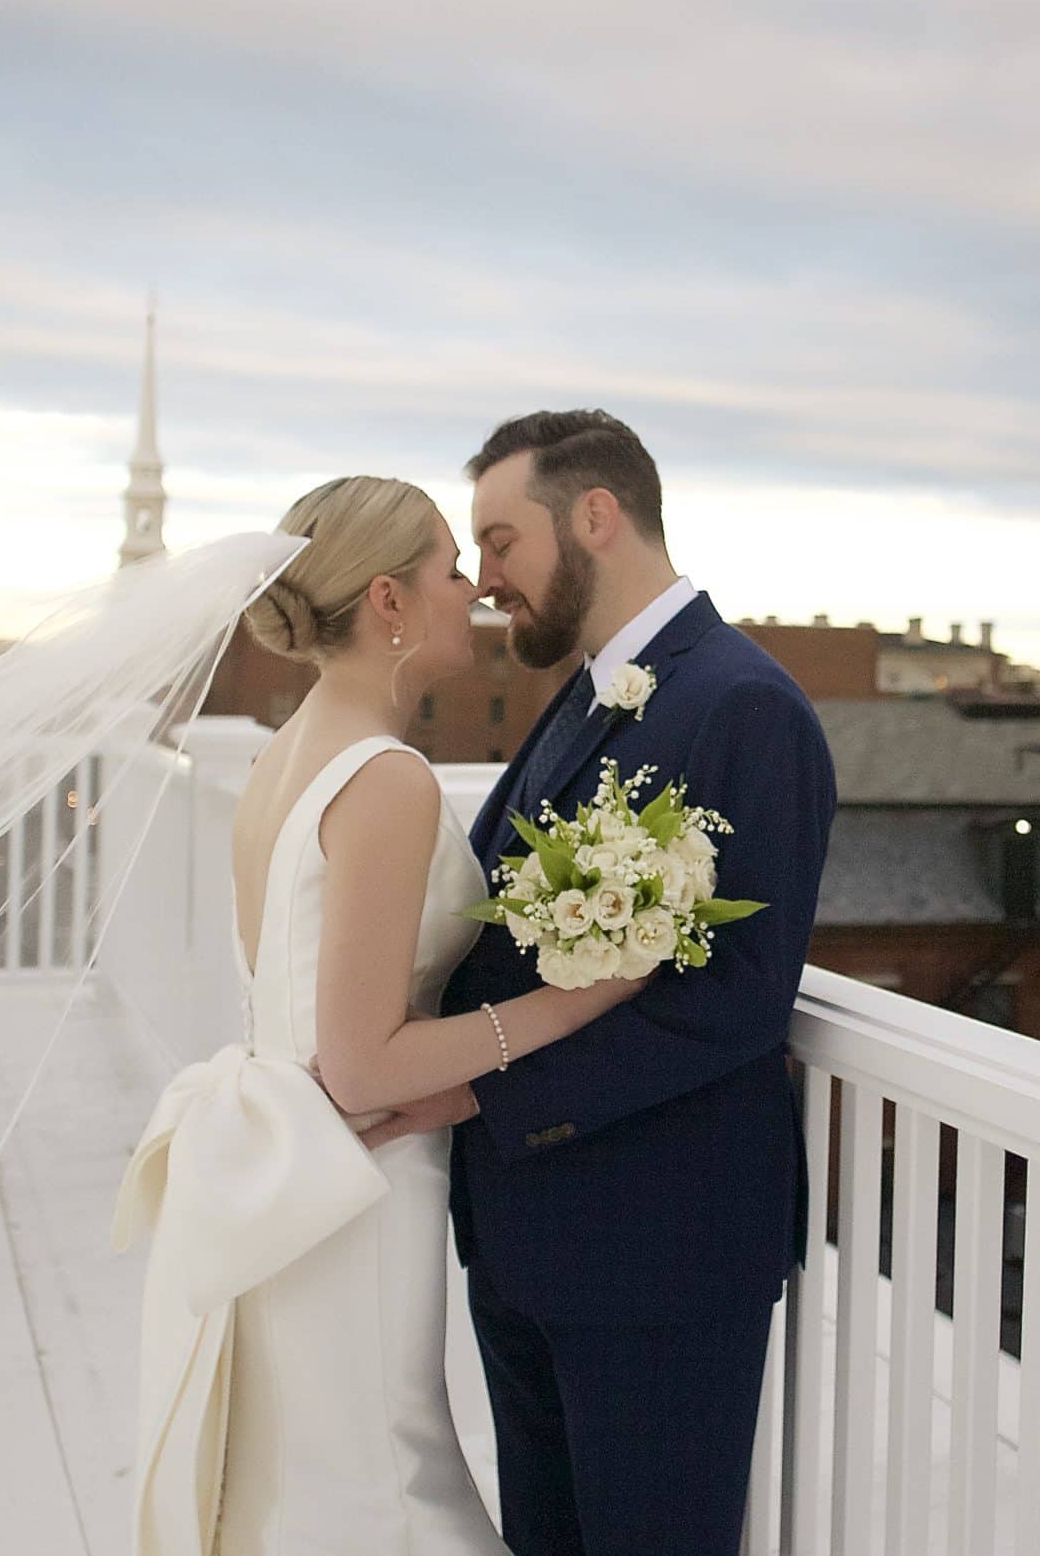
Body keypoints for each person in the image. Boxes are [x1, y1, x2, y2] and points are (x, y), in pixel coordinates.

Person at [120, 476, 650, 1555]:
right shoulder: (388, 779)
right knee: (382, 1483)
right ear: (388, 602)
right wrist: (575, 1000)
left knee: (317, 1470)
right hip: (352, 1177)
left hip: (292, 1164)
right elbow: (363, 1065)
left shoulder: (283, 753)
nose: (474, 593)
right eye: (451, 571)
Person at [410, 410, 837, 1556]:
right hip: (521, 1241)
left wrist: (477, 1092)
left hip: (659, 1254)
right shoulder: (592, 690)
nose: (485, 576)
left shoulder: (744, 704)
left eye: (499, 540)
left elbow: (737, 994)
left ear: (595, 515)